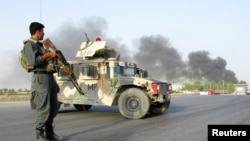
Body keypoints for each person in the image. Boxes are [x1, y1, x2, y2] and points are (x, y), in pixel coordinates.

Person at [23, 22, 62, 141]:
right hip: (40, 78)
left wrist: (54, 82)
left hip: (48, 77)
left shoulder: (40, 45)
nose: (44, 33)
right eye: (42, 31)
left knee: (53, 107)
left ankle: (49, 133)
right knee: (44, 108)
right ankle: (39, 135)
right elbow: (34, 61)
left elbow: (48, 66)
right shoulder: (29, 45)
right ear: (37, 31)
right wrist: (49, 54)